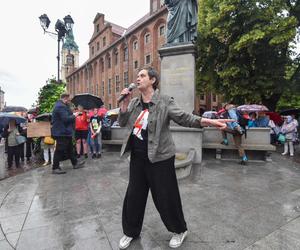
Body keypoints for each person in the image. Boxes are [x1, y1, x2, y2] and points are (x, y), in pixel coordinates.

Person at [117, 67, 231, 249]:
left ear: (153, 80)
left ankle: (179, 230)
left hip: (160, 157)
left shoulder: (164, 102)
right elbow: (122, 123)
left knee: (165, 197)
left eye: (142, 76)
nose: (137, 79)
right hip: (138, 157)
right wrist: (123, 106)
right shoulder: (134, 103)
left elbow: (185, 118)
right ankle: (131, 231)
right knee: (134, 196)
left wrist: (208, 121)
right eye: (137, 76)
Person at [51, 93, 85, 174]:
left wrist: (73, 113)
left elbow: (66, 116)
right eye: (69, 100)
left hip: (65, 132)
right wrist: (75, 115)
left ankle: (75, 163)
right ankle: (55, 167)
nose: (69, 101)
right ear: (65, 98)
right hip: (61, 132)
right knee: (59, 149)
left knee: (70, 149)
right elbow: (66, 119)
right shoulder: (60, 106)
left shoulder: (62, 105)